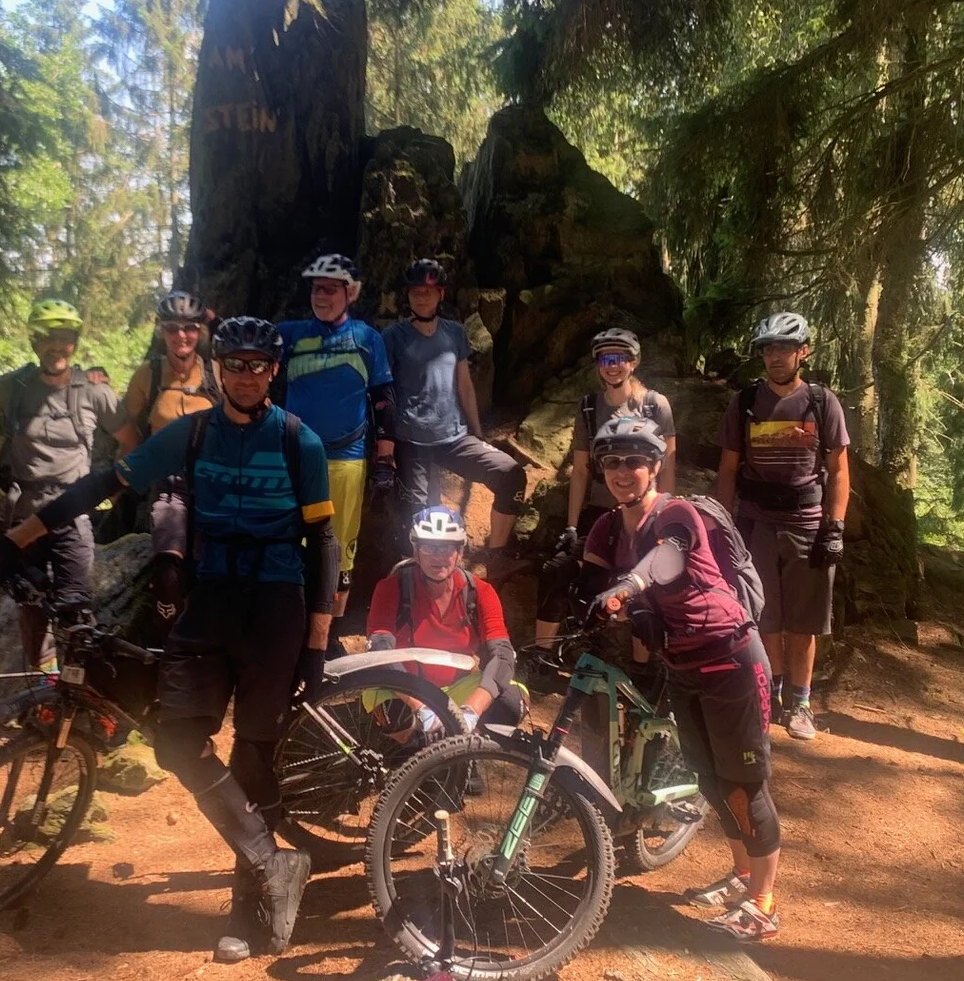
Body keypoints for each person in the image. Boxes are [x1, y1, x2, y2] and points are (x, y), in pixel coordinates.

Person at [0, 317, 333, 963]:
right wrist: (15, 541)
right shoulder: (192, 434)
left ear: (273, 371)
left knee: (253, 761)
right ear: (220, 368)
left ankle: (246, 909)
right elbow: (96, 485)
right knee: (174, 741)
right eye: (238, 363)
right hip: (212, 602)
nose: (248, 374)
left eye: (260, 364)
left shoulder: (298, 442)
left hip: (278, 606)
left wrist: (317, 641)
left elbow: (325, 546)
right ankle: (271, 860)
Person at [587, 414, 781, 942]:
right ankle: (743, 877)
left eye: (634, 461)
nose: (622, 471)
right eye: (612, 462)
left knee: (745, 786)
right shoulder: (615, 526)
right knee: (713, 782)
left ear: (654, 466)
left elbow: (663, 561)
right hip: (684, 667)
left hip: (732, 660)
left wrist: (625, 590)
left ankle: (764, 903)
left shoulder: (676, 513)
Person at [0, 297, 121, 670]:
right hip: (23, 513)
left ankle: (76, 700)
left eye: (64, 337)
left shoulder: (95, 391)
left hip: (73, 512)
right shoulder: (15, 386)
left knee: (75, 608)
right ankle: (45, 689)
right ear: (34, 342)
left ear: (75, 342)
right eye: (47, 337)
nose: (56, 345)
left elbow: (134, 442)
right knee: (32, 603)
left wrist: (112, 486)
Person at [715, 312, 851, 742]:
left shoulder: (821, 401)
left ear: (803, 352)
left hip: (807, 525)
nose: (775, 357)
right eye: (769, 349)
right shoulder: (745, 402)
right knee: (764, 615)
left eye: (784, 348)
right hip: (756, 522)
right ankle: (770, 694)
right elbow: (728, 468)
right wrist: (722, 524)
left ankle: (802, 703)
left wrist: (836, 527)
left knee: (804, 622)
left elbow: (839, 469)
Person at [528, 328, 677, 669]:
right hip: (599, 510)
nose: (613, 366)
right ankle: (543, 656)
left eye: (620, 358)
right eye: (606, 359)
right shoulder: (588, 408)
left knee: (647, 582)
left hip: (646, 509)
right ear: (598, 365)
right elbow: (580, 470)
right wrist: (570, 525)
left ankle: (643, 671)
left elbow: (668, 465)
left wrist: (667, 513)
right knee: (559, 568)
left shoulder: (656, 405)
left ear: (634, 362)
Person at [383, 260, 527, 580]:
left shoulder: (454, 333)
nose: (422, 297)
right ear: (407, 295)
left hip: (454, 436)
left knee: (510, 474)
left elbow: (464, 384)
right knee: (421, 515)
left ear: (440, 294)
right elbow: (385, 390)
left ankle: (496, 557)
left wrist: (476, 433)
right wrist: (386, 445)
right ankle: (419, 581)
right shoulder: (394, 336)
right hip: (412, 439)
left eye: (429, 291)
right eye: (416, 292)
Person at [275, 253, 394, 617]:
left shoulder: (367, 338)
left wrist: (386, 458)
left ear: (352, 293)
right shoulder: (289, 334)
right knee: (288, 539)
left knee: (341, 546)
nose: (320, 296)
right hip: (293, 458)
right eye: (315, 288)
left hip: (346, 457)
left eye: (330, 289)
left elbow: (382, 399)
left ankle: (332, 629)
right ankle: (290, 619)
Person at [116, 290, 220, 637]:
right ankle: (170, 643)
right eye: (173, 328)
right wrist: (128, 474)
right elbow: (124, 427)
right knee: (168, 569)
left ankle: (210, 643)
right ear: (162, 331)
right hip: (167, 482)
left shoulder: (216, 373)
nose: (181, 336)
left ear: (199, 332)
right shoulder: (148, 374)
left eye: (189, 328)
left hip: (211, 483)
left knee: (213, 566)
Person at [366, 504, 524, 731]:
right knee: (399, 718)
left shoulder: (480, 592)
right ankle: (409, 753)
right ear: (416, 550)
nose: (437, 556)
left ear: (460, 552)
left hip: (457, 687)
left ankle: (461, 745)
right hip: (402, 688)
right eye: (429, 547)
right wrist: (420, 707)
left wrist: (471, 711)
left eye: (447, 548)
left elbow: (502, 654)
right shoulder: (392, 587)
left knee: (512, 700)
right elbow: (379, 650)